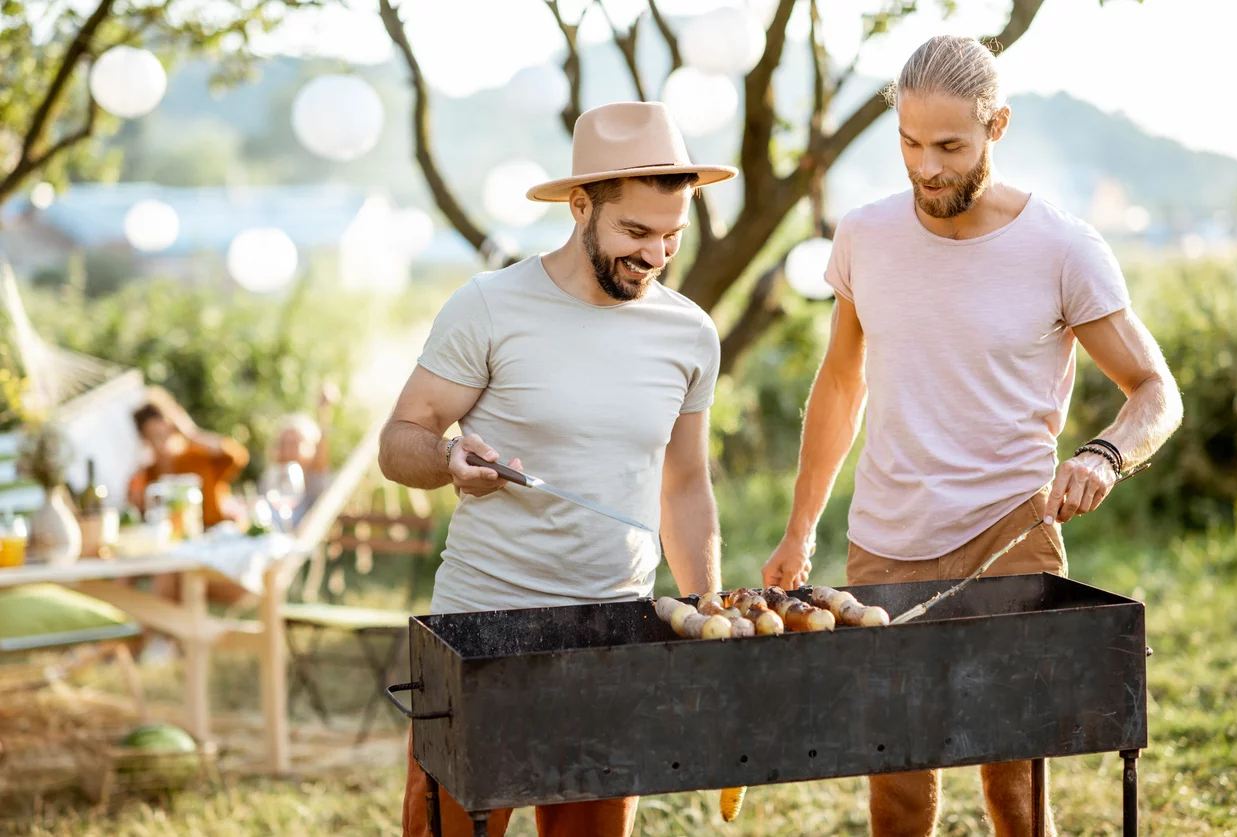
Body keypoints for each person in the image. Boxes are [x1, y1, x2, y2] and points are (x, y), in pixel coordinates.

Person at [761, 35, 1182, 837]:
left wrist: (1105, 452)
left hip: (1010, 533)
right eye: (910, 145)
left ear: (999, 127)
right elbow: (842, 383)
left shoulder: (1062, 247)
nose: (927, 169)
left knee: (1016, 789)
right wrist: (798, 527)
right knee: (896, 785)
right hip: (887, 539)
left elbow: (1157, 391)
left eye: (950, 145)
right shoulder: (865, 235)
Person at [378, 101, 736, 837]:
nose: (655, 254)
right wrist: (449, 459)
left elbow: (684, 484)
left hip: (613, 633)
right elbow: (398, 439)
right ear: (581, 206)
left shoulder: (690, 333)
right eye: (636, 232)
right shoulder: (489, 306)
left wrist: (707, 617)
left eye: (672, 234)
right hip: (479, 635)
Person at [128, 387, 249, 530]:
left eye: (165, 433)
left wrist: (192, 433)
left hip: (216, 533)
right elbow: (141, 512)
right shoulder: (147, 474)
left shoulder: (197, 457)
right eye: (154, 436)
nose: (162, 443)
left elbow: (237, 456)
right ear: (145, 439)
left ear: (174, 430)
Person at [270, 382, 338, 526]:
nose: (289, 450)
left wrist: (324, 411)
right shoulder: (273, 477)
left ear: (311, 446)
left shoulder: (315, 479)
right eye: (284, 443)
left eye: (295, 444)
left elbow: (322, 449)